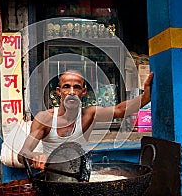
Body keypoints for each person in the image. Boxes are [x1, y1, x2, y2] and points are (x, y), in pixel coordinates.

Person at [18, 70, 154, 169]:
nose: (71, 92)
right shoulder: (45, 118)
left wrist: (145, 97)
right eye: (66, 87)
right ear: (59, 92)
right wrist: (36, 156)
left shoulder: (89, 115)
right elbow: (22, 154)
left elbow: (120, 110)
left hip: (80, 175)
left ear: (83, 92)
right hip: (51, 176)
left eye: (76, 87)